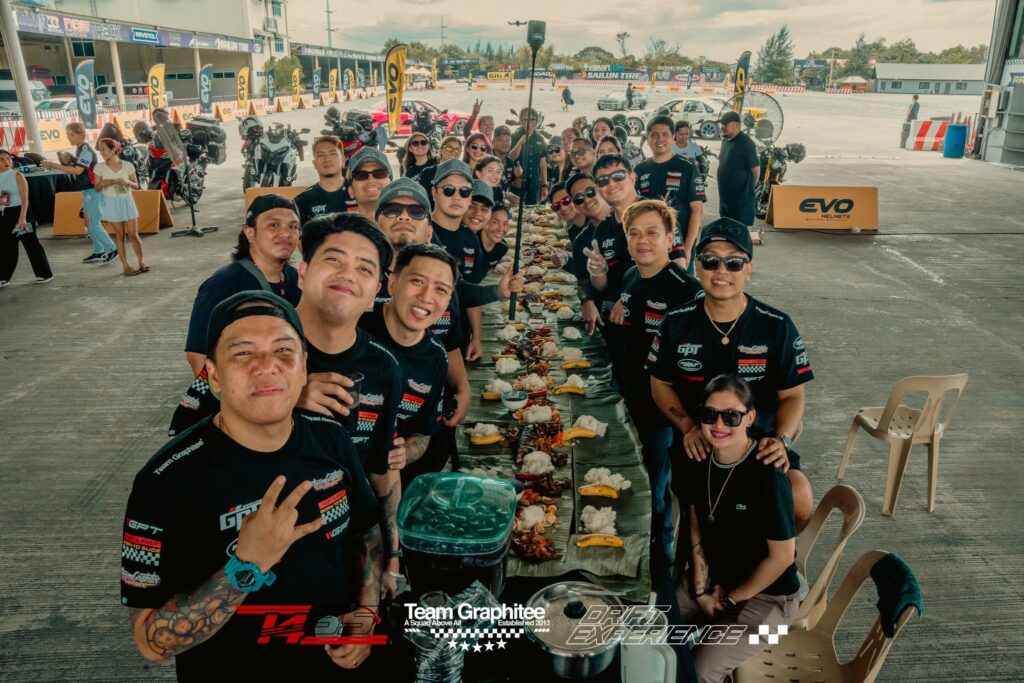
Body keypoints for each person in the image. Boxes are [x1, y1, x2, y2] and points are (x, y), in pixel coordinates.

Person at [121, 290, 384, 677]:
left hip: (332, 662)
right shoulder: (164, 483)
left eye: (283, 351)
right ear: (214, 376)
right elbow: (150, 641)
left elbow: (366, 532)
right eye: (243, 353)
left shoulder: (331, 438)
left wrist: (365, 618)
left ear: (304, 368)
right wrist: (246, 566)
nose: (267, 366)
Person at [648, 218, 815, 530]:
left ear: (748, 270)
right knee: (702, 520)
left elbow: (793, 395)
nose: (721, 271)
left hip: (759, 443)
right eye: (710, 261)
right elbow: (660, 383)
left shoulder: (776, 326)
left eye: (734, 263)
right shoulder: (676, 322)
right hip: (701, 443)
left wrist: (781, 439)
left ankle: (778, 554)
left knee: (799, 499)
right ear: (697, 268)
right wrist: (688, 427)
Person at [674, 374, 800, 683]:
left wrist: (729, 599)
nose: (719, 424)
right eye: (709, 414)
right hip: (716, 578)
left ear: (750, 418)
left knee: (700, 670)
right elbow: (696, 528)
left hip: (769, 599)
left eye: (731, 416)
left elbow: (783, 557)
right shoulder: (698, 459)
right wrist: (701, 590)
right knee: (649, 630)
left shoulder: (768, 476)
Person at [611, 199, 701, 562]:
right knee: (632, 480)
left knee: (655, 489)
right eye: (634, 233)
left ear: (670, 238)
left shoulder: (686, 289)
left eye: (651, 232)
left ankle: (659, 561)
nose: (642, 241)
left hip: (661, 413)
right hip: (630, 395)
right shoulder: (631, 276)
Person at [359, 243, 454, 488]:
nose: (426, 297)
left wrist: (406, 453)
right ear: (392, 284)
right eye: (417, 281)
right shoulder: (355, 324)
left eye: (440, 289)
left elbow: (422, 433)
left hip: (382, 483)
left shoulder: (435, 356)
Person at [184, 195, 301, 377]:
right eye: (273, 225)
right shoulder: (223, 284)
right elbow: (197, 356)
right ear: (250, 233)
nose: (286, 233)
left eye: (293, 227)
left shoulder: (296, 279)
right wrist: (223, 392)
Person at [39, 122, 117, 264]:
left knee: (94, 224)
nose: (69, 138)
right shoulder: (80, 150)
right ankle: (99, 251)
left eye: (72, 135)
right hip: (88, 190)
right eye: (68, 135)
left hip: (93, 190)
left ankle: (112, 249)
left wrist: (54, 165)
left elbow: (78, 171)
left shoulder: (86, 151)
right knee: (89, 223)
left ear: (82, 135)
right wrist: (70, 162)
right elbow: (81, 169)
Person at [634, 115, 705, 270]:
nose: (660, 139)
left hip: (679, 251)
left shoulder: (688, 168)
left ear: (673, 137)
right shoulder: (639, 170)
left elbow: (697, 210)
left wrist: (687, 248)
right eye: (654, 135)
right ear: (648, 139)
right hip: (649, 249)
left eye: (665, 134)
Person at [565, 172, 611, 336]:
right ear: (575, 206)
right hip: (607, 318)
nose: (586, 200)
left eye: (590, 192)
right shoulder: (580, 241)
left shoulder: (629, 222)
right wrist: (586, 301)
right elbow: (583, 283)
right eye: (578, 199)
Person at [0, 148, 53, 287]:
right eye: (2, 160)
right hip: (5, 214)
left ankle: (44, 273)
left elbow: (25, 199)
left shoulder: (17, 175)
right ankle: (4, 277)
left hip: (21, 212)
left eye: (8, 159)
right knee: (7, 247)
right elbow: (4, 197)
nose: (6, 162)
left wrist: (22, 218)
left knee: (31, 244)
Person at [94, 138, 146, 277]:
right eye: (100, 150)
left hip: (127, 201)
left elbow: (136, 186)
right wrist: (103, 183)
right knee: (120, 235)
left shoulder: (128, 165)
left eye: (104, 149)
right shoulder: (99, 167)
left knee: (133, 234)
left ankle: (141, 262)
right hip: (111, 202)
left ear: (113, 149)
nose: (102, 152)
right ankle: (126, 266)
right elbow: (96, 188)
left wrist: (126, 182)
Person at [292, 136, 356, 225]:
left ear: (343, 160)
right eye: (321, 155)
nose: (327, 159)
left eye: (332, 154)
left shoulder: (359, 191)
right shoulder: (302, 201)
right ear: (314, 164)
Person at [716, 111, 760, 228]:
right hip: (725, 200)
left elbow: (755, 170)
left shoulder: (746, 142)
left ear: (737, 125)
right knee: (726, 231)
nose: (722, 127)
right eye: (722, 124)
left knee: (739, 232)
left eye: (726, 124)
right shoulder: (725, 141)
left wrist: (750, 186)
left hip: (740, 203)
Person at [509, 107, 548, 204]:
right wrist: (520, 142)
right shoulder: (513, 137)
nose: (529, 122)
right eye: (525, 119)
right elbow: (511, 157)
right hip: (517, 185)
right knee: (515, 211)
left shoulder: (540, 139)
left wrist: (544, 185)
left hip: (534, 186)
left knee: (533, 211)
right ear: (521, 122)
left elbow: (542, 163)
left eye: (532, 119)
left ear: (536, 121)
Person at [547, 181, 587, 274]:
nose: (563, 208)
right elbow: (582, 270)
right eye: (556, 206)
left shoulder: (595, 223)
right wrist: (564, 260)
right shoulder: (573, 231)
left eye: (566, 200)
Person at [347, 147, 392, 219]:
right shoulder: (341, 226)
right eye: (361, 175)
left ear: (391, 186)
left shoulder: (409, 224)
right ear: (351, 191)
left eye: (380, 173)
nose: (371, 180)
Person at [479, 201, 510, 270]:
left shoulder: (502, 248)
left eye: (505, 224)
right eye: (495, 222)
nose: (501, 229)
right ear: (485, 223)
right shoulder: (470, 244)